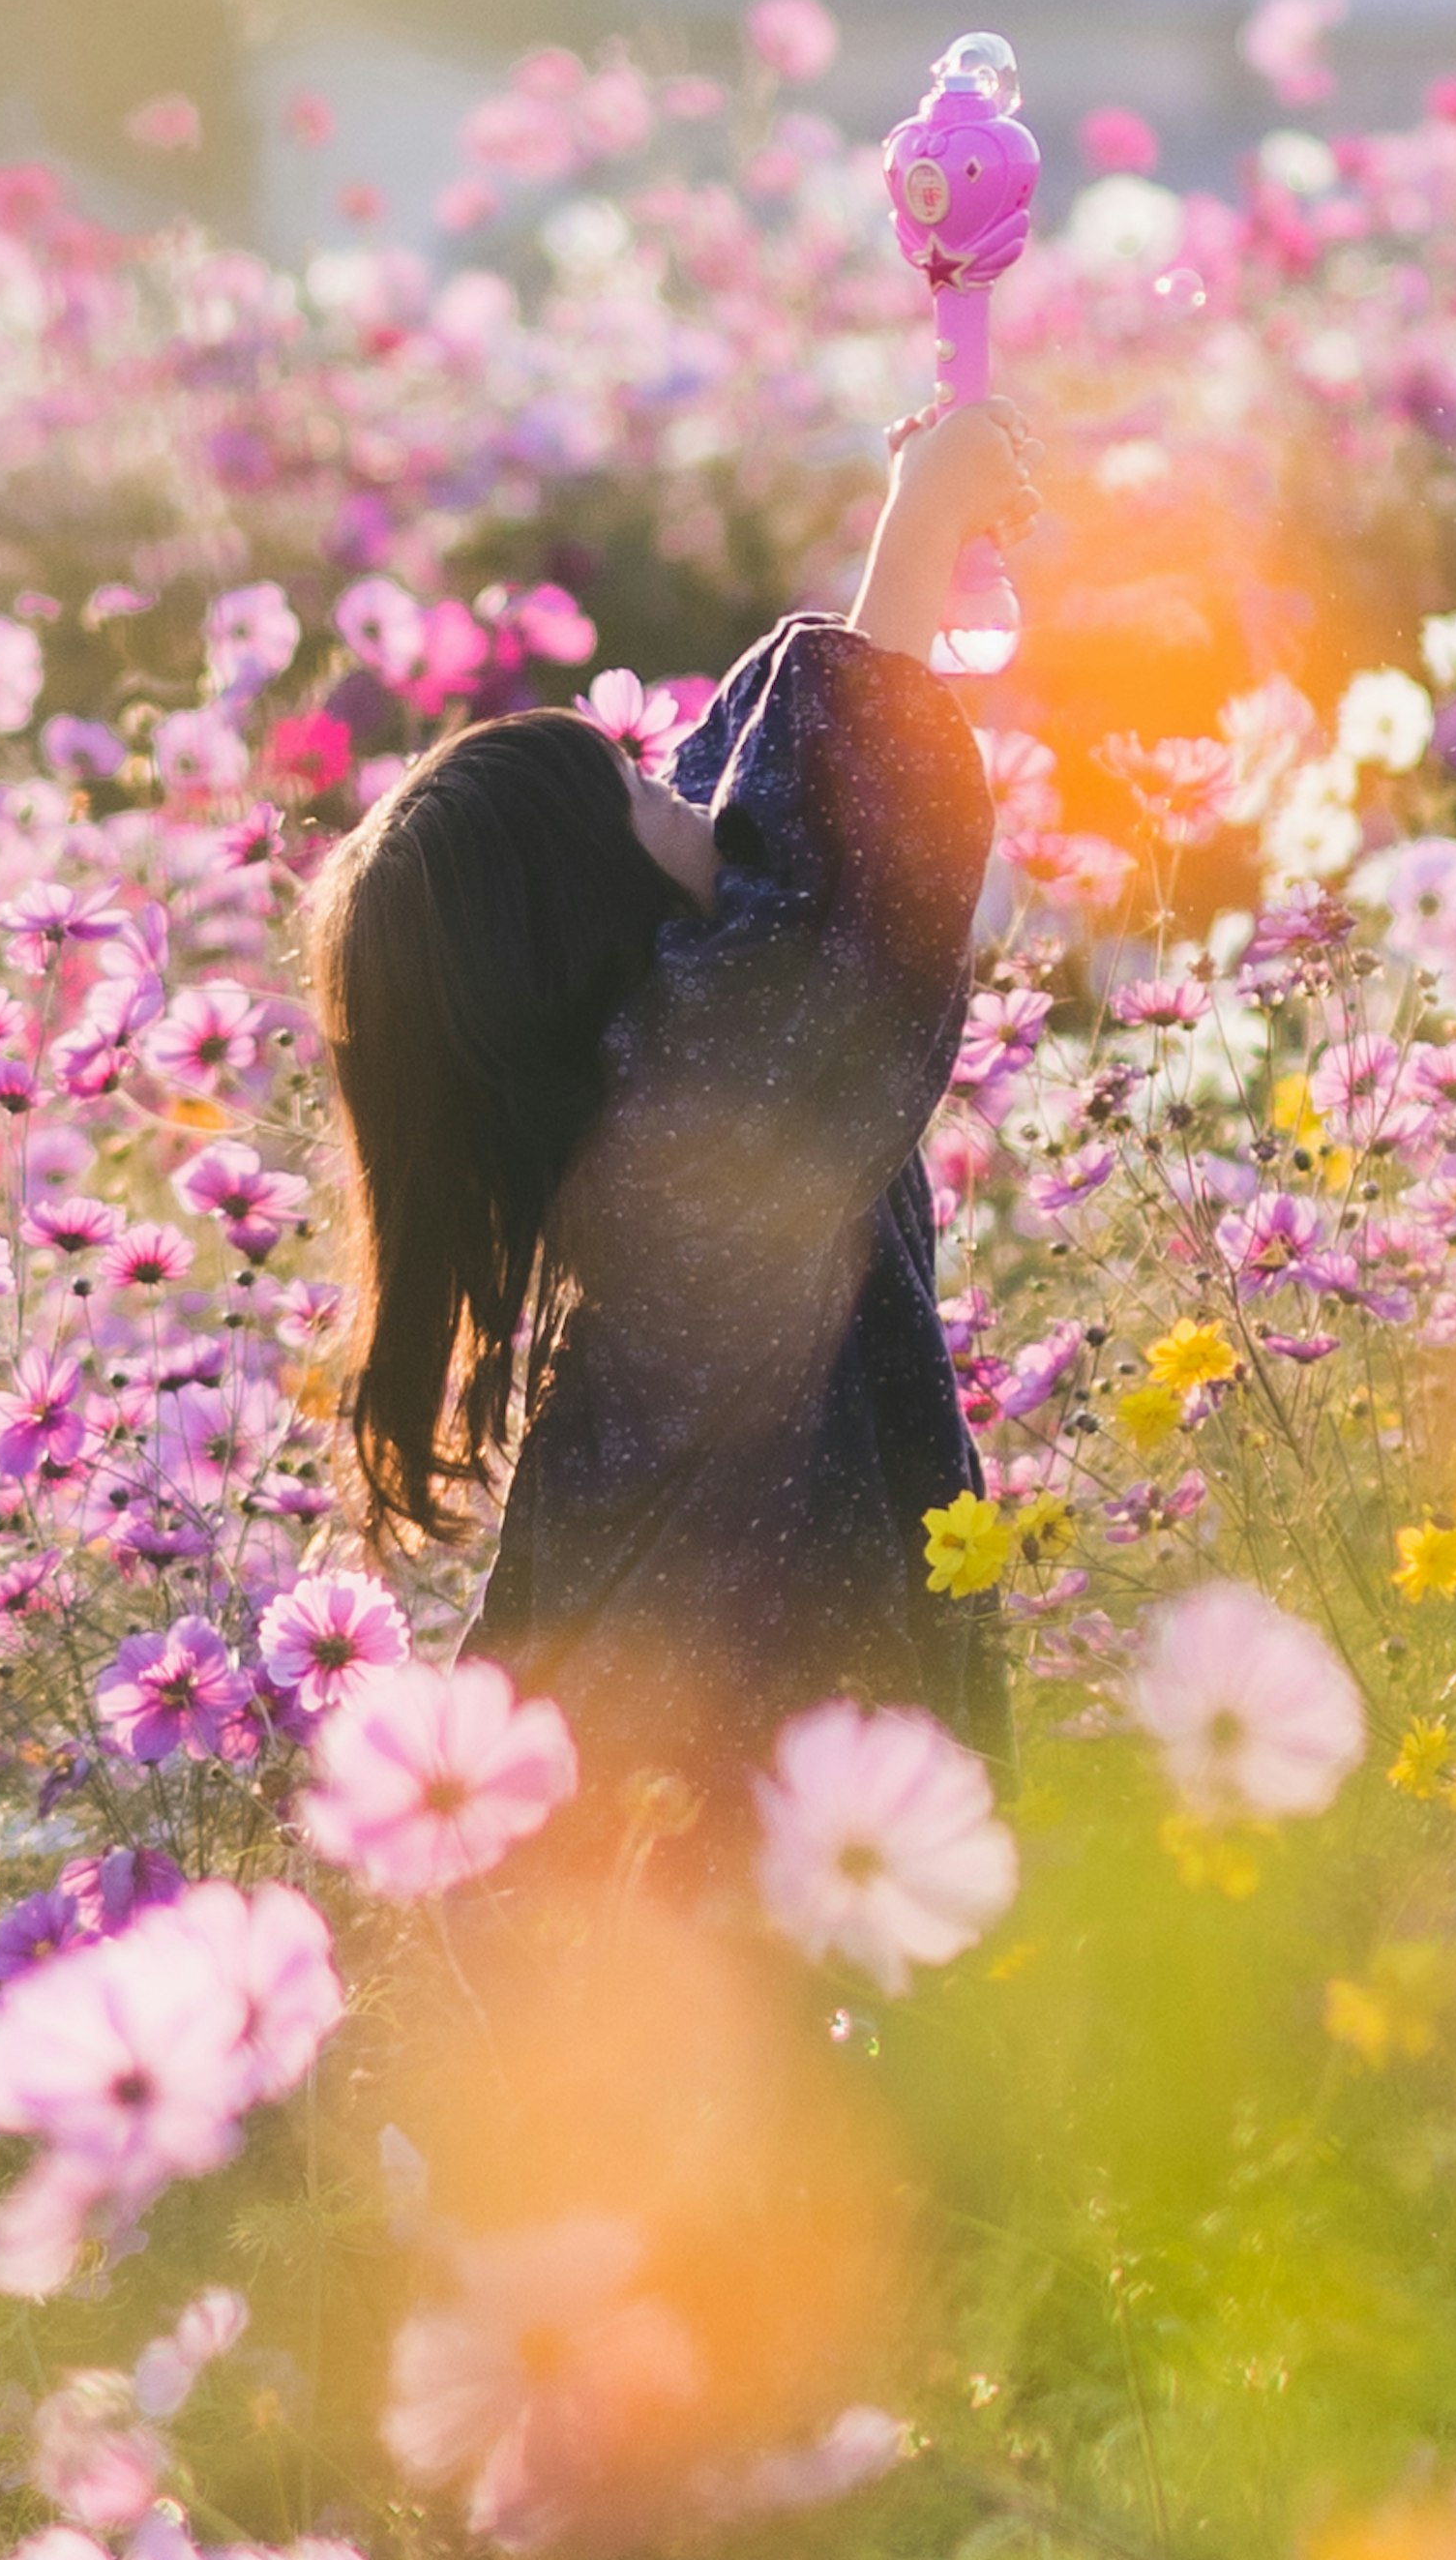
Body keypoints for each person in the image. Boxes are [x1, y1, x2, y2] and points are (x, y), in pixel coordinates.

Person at [307, 402, 1040, 1819]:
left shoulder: (623, 1085)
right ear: (593, 920)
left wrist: (923, 535)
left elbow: (765, 831)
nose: (684, 779)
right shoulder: (687, 1136)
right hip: (766, 1763)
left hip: (753, 1726)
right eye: (639, 782)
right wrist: (923, 517)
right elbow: (823, 898)